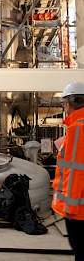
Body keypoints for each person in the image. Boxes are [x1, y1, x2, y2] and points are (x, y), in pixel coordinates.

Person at [52, 81, 84, 261]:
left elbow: (76, 171)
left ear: (73, 102)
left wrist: (70, 207)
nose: (64, 108)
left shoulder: (78, 128)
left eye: (64, 104)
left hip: (79, 210)